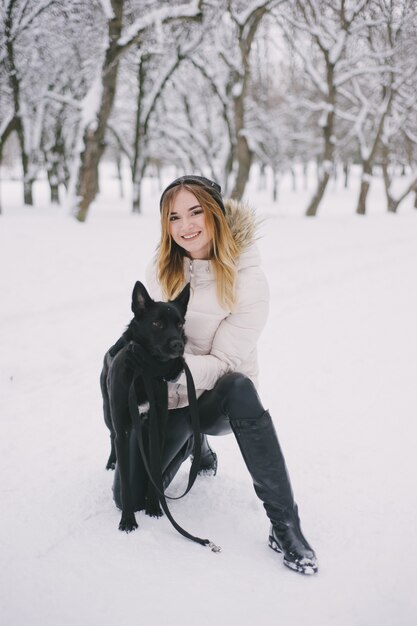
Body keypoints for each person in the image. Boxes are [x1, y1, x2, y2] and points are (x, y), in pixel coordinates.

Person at [113, 174, 318, 575]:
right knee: (129, 500)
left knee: (239, 387)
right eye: (174, 217)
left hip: (212, 402)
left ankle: (285, 525)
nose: (185, 226)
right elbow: (144, 334)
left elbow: (224, 361)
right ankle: (195, 448)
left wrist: (169, 369)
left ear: (216, 214)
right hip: (166, 400)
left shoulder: (248, 278)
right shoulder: (161, 268)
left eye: (195, 212)